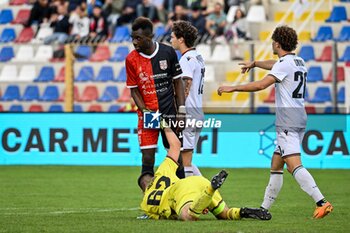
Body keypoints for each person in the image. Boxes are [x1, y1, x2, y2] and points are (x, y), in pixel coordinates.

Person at [217, 25, 333, 219]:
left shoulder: (284, 64)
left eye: (273, 41)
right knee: (277, 165)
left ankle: (321, 201)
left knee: (294, 165)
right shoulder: (298, 61)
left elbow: (262, 84)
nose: (271, 43)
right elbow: (276, 64)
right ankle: (264, 208)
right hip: (299, 115)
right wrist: (254, 63)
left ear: (277, 43)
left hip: (287, 119)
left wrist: (233, 88)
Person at [140, 122, 272, 221]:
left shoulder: (145, 202)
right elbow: (175, 145)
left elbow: (163, 216)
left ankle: (210, 190)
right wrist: (164, 123)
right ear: (151, 179)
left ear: (144, 190)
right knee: (225, 214)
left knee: (188, 216)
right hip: (196, 181)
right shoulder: (162, 171)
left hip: (181, 192)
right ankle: (242, 212)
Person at [125, 17, 186, 190]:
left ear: (150, 36)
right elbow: (134, 89)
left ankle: (182, 198)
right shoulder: (131, 60)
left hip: (169, 112)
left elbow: (177, 83)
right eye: (133, 38)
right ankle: (150, 204)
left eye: (139, 38)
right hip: (148, 114)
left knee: (176, 157)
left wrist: (181, 111)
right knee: (148, 159)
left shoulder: (167, 52)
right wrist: (145, 110)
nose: (135, 42)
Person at [170, 21, 204, 177]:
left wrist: (180, 108)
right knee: (183, 159)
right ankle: (211, 192)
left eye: (173, 37)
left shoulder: (186, 59)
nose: (171, 40)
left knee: (185, 159)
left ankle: (194, 197)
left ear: (181, 39)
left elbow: (187, 81)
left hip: (188, 113)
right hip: (198, 112)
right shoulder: (197, 56)